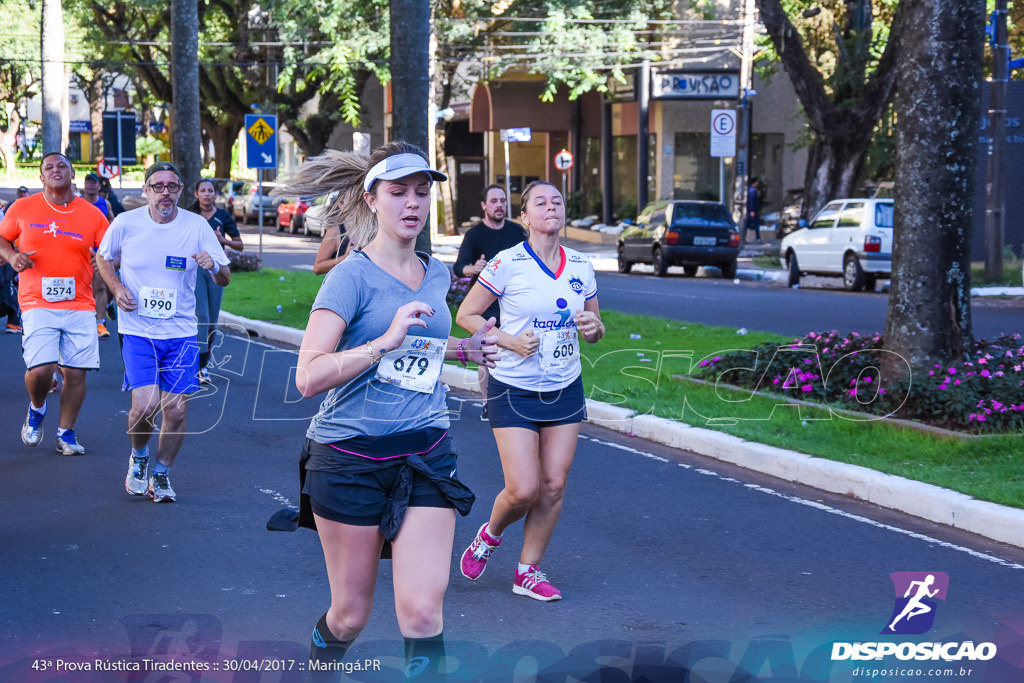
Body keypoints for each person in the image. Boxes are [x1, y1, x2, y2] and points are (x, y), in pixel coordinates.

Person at [281, 142, 499, 679]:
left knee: (423, 613)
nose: (412, 204)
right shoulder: (348, 277)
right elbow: (308, 376)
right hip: (349, 458)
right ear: (371, 199)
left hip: (426, 452)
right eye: (398, 192)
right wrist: (383, 340)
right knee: (351, 615)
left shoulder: (437, 273)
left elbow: (419, 349)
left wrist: (465, 349)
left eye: (422, 193)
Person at [456, 180, 604, 602]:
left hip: (564, 386)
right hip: (514, 388)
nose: (551, 206)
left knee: (554, 484)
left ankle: (528, 571)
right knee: (523, 488)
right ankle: (490, 534)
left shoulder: (580, 265)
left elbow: (594, 328)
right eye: (541, 201)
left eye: (558, 200)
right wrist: (506, 340)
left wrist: (595, 329)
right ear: (525, 217)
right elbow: (467, 314)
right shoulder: (508, 263)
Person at [96, 161, 231, 503]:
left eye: (172, 186)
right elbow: (103, 258)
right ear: (146, 190)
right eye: (158, 186)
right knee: (144, 407)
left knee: (176, 410)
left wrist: (213, 265)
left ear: (181, 190)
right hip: (138, 330)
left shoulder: (197, 226)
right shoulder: (126, 224)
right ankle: (139, 456)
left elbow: (225, 277)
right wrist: (115, 287)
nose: (165, 192)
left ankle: (162, 472)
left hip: (181, 332)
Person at [0, 152, 109, 456]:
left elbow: (110, 247)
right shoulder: (23, 208)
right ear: (41, 178)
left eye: (62, 166)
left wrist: (104, 262)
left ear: (72, 174)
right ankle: (37, 408)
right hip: (37, 301)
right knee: (41, 369)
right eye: (49, 167)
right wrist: (12, 256)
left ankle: (66, 433)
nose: (56, 170)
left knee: (75, 373)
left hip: (80, 302)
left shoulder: (92, 214)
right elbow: (2, 238)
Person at [452, 185, 527, 419]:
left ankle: (517, 398)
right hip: (485, 304)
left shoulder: (517, 232)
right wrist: (473, 268)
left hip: (514, 302)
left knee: (518, 347)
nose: (499, 205)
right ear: (484, 205)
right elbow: (459, 266)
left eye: (503, 201)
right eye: (494, 201)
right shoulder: (474, 235)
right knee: (488, 350)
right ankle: (487, 403)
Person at [192, 178, 244, 384]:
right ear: (196, 194)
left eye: (210, 190)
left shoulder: (223, 216)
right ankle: (201, 366)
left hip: (217, 269)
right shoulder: (190, 216)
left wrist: (223, 240)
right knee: (201, 315)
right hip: (195, 269)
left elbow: (239, 245)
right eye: (202, 190)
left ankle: (206, 351)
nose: (206, 194)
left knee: (212, 321)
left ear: (215, 194)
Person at [82, 172, 114, 339]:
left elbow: (112, 223)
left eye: (93, 183)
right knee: (82, 287)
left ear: (98, 185)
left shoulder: (104, 203)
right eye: (88, 182)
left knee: (100, 286)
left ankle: (100, 323)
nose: (91, 186)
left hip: (99, 250)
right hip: (79, 250)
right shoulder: (76, 202)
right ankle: (83, 321)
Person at [745, 177, 761, 243]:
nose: (757, 183)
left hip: (750, 210)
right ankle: (758, 238)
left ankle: (743, 237)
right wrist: (752, 210)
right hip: (752, 211)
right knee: (756, 224)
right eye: (756, 182)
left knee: (747, 224)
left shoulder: (749, 190)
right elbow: (751, 201)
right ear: (754, 183)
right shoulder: (752, 191)